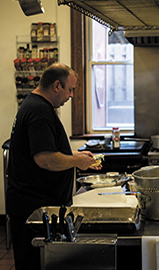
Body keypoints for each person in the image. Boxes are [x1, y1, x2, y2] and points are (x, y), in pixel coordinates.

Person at [6, 63, 101, 270]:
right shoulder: (39, 111)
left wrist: (75, 154)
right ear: (57, 85)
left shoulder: (36, 105)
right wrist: (76, 161)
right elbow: (45, 159)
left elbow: (44, 150)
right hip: (33, 209)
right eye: (70, 89)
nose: (72, 95)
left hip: (38, 207)